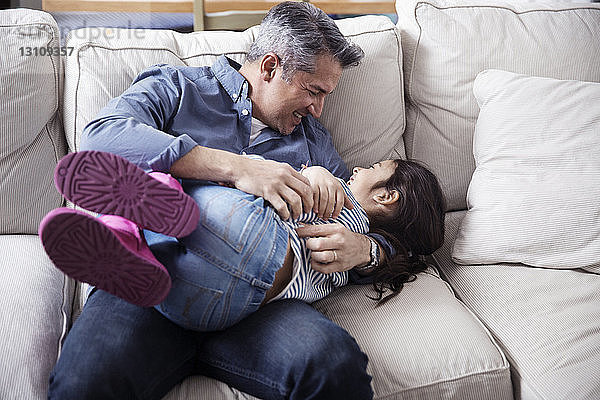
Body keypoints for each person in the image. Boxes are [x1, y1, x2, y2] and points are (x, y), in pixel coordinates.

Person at [47, 2, 392, 399]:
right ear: (269, 67)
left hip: (257, 303)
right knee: (83, 384)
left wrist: (367, 251)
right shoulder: (180, 87)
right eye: (314, 91)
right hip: (147, 283)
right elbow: (102, 139)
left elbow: (376, 218)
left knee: (336, 369)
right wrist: (235, 168)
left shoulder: (313, 141)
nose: (318, 109)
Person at [40, 151, 446, 332]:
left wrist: (318, 170)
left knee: (166, 187)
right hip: (216, 308)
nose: (358, 167)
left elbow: (399, 251)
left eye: (373, 168)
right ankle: (137, 244)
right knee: (161, 232)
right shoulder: (358, 253)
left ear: (386, 196)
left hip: (254, 235)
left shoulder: (341, 202)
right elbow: (408, 253)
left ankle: (142, 217)